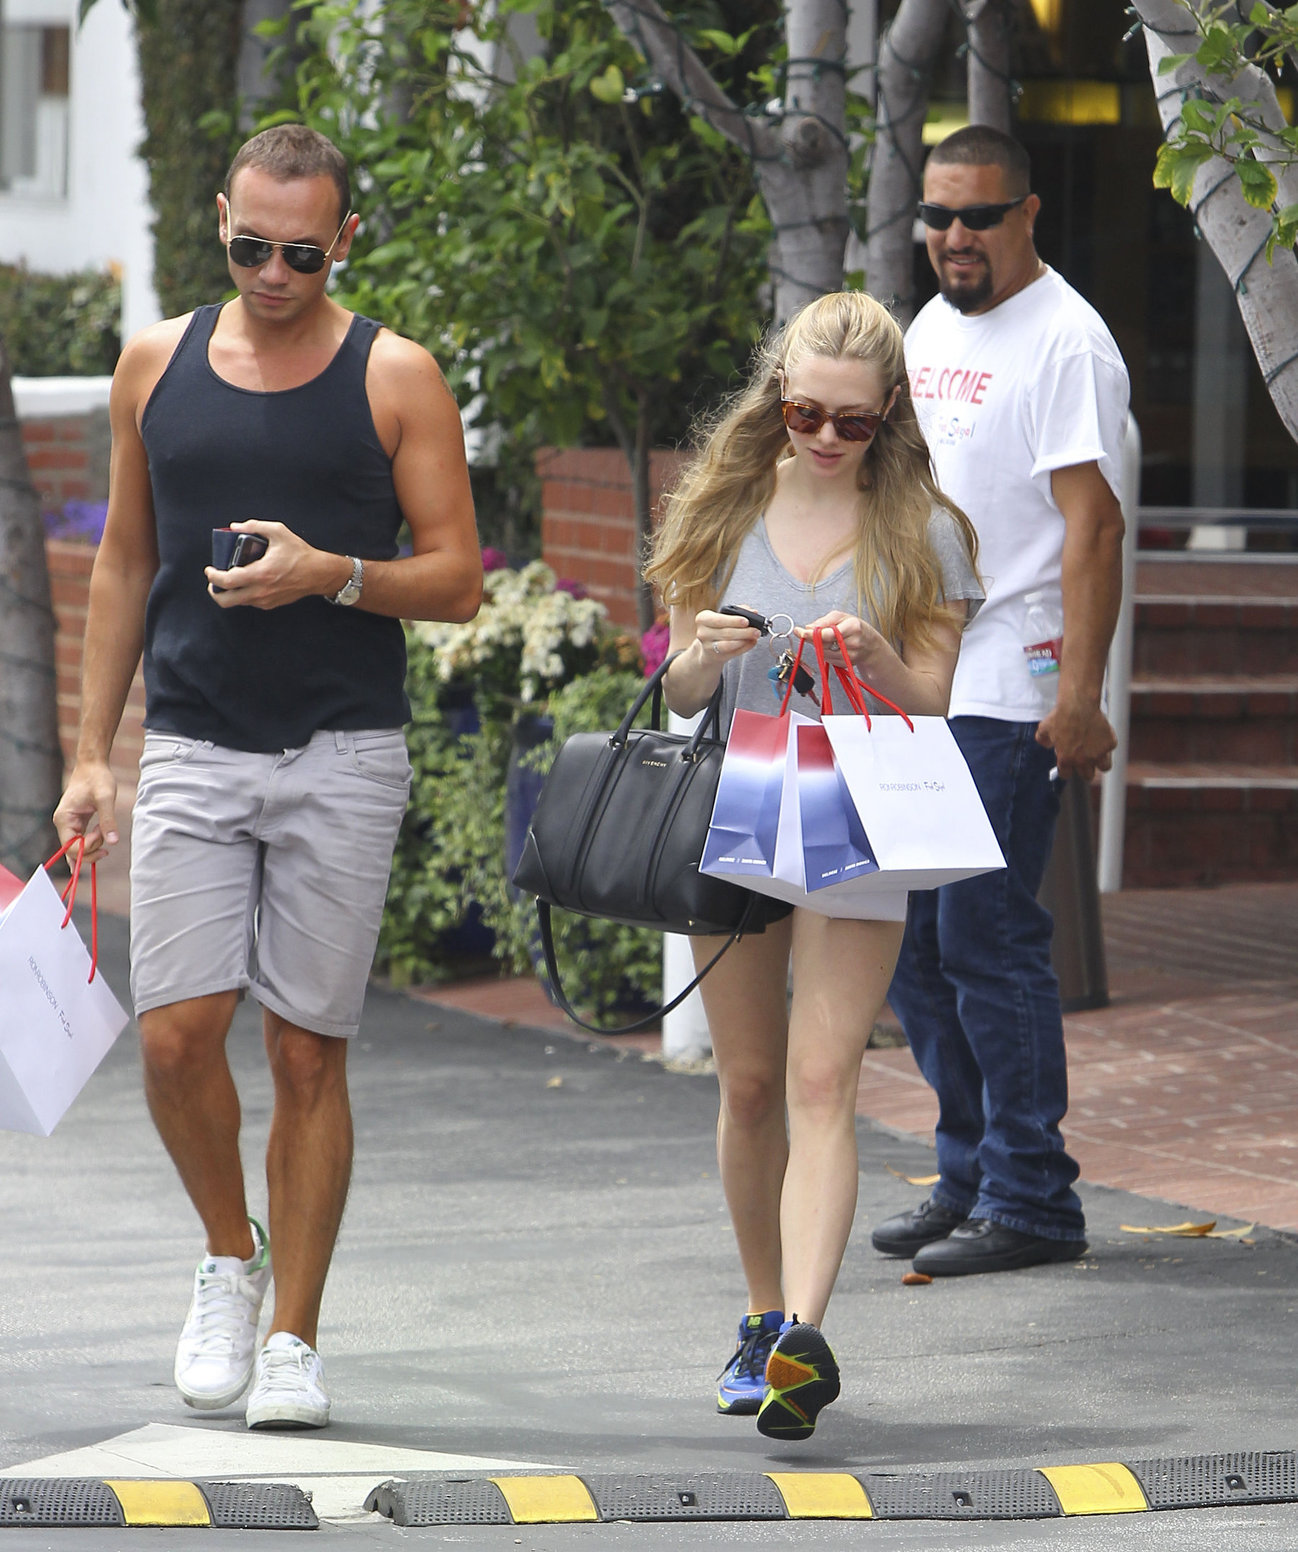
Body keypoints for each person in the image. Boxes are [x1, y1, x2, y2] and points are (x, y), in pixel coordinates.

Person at [52, 124, 482, 1429]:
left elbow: (457, 580)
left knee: (304, 1052)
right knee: (175, 1038)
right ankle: (226, 1256)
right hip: (191, 744)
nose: (275, 274)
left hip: (341, 751)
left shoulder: (394, 375)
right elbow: (126, 561)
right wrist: (92, 754)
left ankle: (293, 1335)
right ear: (220, 221)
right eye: (251, 248)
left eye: (303, 253)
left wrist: (330, 574)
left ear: (342, 238)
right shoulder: (154, 364)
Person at [645, 291, 982, 1440]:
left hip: (859, 800)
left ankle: (801, 1337)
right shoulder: (722, 501)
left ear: (889, 413)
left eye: (851, 421)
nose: (825, 437)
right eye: (805, 414)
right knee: (747, 1083)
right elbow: (677, 692)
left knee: (821, 1079)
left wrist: (879, 656)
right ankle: (759, 1313)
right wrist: (702, 655)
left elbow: (931, 703)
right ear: (776, 395)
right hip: (738, 793)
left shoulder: (922, 530)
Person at [875, 125, 1129, 1277]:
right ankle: (971, 1172)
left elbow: (1093, 526)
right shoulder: (933, 326)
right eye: (936, 217)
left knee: (984, 932)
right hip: (923, 679)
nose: (953, 237)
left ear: (1026, 214)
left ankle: (1032, 1198)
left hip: (1009, 685)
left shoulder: (1065, 341)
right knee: (915, 947)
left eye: (976, 216)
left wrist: (1076, 693)